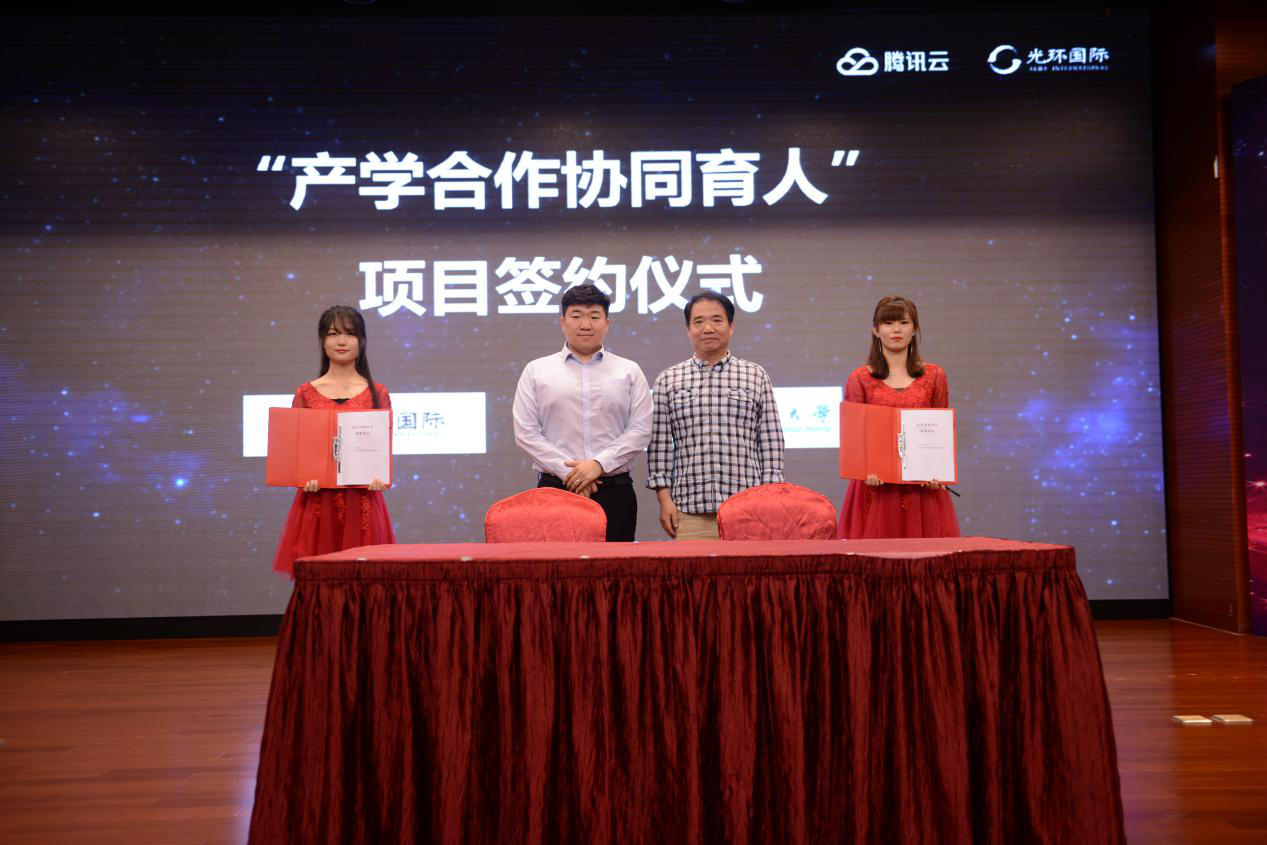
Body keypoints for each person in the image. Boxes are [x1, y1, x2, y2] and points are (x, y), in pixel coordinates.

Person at [512, 284, 652, 541]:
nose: (585, 324)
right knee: (556, 564)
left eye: (594, 316)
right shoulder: (536, 371)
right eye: (576, 316)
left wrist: (598, 465)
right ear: (563, 322)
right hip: (555, 490)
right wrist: (572, 474)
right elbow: (526, 433)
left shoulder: (629, 371)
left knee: (615, 565)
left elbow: (640, 430)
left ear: (607, 323)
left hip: (614, 490)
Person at [647, 291, 785, 540]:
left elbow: (770, 441)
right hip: (688, 510)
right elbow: (659, 446)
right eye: (698, 322)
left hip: (748, 508)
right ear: (688, 330)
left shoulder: (755, 375)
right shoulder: (668, 379)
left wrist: (769, 497)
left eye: (717, 320)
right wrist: (664, 500)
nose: (708, 328)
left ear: (731, 327)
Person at [272, 306, 394, 576]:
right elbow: (296, 452)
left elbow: (383, 450)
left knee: (366, 581)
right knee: (320, 581)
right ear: (322, 341)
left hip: (363, 500)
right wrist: (302, 476)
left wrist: (379, 477)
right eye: (333, 333)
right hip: (318, 502)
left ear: (362, 341)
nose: (342, 341)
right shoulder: (305, 393)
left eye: (350, 334)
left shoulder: (378, 393)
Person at [837, 295, 960, 539]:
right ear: (875, 329)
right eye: (888, 323)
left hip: (923, 490)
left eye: (904, 323)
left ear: (914, 329)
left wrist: (938, 471)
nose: (896, 329)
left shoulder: (935, 375)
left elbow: (940, 432)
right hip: (876, 490)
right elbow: (855, 438)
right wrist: (864, 469)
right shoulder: (859, 378)